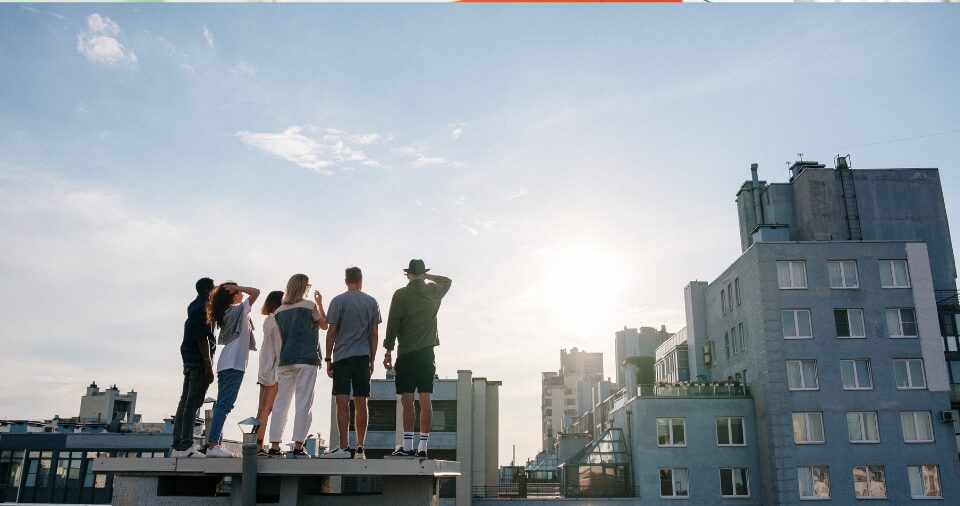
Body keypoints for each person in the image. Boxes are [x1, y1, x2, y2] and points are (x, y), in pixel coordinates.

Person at [383, 259, 452, 458]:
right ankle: (423, 446)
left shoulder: (401, 294)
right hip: (427, 353)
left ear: (408, 274)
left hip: (406, 353)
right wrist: (426, 277)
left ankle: (407, 446)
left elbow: (392, 324)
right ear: (422, 273)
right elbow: (447, 281)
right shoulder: (433, 292)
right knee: (425, 398)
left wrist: (388, 350)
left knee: (407, 399)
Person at [321, 267, 381, 460]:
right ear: (361, 279)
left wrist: (328, 358)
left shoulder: (338, 301)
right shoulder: (371, 302)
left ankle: (344, 447)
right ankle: (360, 447)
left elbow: (331, 332)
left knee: (342, 402)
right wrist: (372, 358)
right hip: (363, 355)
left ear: (346, 280)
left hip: (342, 357)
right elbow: (374, 334)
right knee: (362, 401)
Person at [268, 274, 328, 458]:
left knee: (281, 402)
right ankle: (298, 446)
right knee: (303, 402)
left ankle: (275, 445)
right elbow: (325, 325)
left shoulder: (279, 311)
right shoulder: (309, 306)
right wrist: (320, 303)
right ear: (304, 288)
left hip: (286, 360)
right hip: (306, 359)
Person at [205, 282, 260, 458]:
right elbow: (256, 291)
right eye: (237, 292)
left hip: (227, 363)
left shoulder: (229, 312)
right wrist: (241, 287)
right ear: (233, 295)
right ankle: (213, 445)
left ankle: (215, 444)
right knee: (225, 405)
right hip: (233, 364)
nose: (241, 293)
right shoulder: (238, 311)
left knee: (222, 405)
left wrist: (236, 289)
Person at [171, 277, 216, 458]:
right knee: (192, 402)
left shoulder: (193, 306)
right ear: (208, 291)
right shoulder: (204, 307)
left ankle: (178, 447)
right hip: (199, 361)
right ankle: (187, 446)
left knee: (185, 402)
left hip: (188, 359)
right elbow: (203, 337)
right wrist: (208, 365)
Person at [254, 290, 284, 456]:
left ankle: (256, 443)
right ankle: (258, 445)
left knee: (262, 409)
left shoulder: (268, 320)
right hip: (274, 370)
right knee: (267, 409)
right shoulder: (277, 322)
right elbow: (279, 349)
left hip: (264, 369)